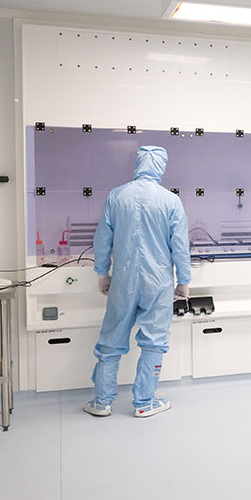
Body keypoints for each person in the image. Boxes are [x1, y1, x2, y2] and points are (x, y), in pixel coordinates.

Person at [84, 146, 191, 418]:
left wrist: (102, 273)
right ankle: (145, 402)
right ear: (161, 166)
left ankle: (101, 402)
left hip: (123, 279)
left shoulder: (117, 196)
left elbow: (102, 239)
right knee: (154, 341)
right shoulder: (170, 201)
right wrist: (184, 280)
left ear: (138, 164)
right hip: (158, 282)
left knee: (111, 339)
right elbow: (180, 246)